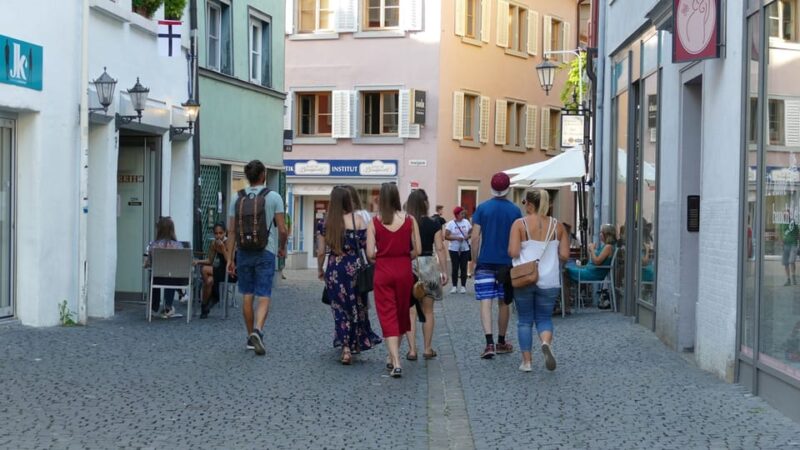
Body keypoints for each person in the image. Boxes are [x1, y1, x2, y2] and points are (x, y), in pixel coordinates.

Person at [226, 160, 288, 356]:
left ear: (248, 177)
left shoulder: (237, 198)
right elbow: (283, 228)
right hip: (265, 251)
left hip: (243, 252)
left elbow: (232, 231)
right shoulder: (274, 197)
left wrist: (230, 258)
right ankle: (258, 330)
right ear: (263, 175)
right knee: (263, 295)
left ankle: (250, 337)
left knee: (247, 294)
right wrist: (282, 247)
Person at [317, 186, 382, 365]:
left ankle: (345, 347)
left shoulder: (325, 223)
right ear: (348, 201)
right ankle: (356, 342)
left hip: (335, 268)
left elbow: (321, 251)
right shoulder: (359, 220)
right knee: (357, 306)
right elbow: (368, 248)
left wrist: (320, 269)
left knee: (339, 308)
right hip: (354, 268)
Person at [508, 190, 570, 372]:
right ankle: (545, 342)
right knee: (544, 318)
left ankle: (527, 362)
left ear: (529, 204)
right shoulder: (558, 226)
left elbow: (513, 252)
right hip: (549, 280)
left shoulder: (519, 224)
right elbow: (565, 255)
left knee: (525, 320)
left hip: (525, 278)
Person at [366, 183, 421, 378]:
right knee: (400, 314)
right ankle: (393, 356)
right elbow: (419, 250)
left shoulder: (375, 222)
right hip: (404, 271)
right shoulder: (409, 219)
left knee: (387, 316)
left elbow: (370, 253)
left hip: (383, 272)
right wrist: (404, 256)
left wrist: (383, 256)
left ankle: (395, 361)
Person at [471, 172, 522, 359]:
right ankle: (501, 341)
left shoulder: (482, 209)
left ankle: (489, 343)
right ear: (508, 189)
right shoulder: (515, 211)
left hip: (485, 260)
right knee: (504, 302)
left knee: (486, 301)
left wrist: (474, 259)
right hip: (507, 263)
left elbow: (475, 237)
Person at [404, 189, 448, 361]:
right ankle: (428, 348)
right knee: (428, 311)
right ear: (426, 204)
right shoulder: (434, 223)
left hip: (410, 265)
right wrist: (444, 270)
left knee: (410, 311)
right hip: (429, 265)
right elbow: (440, 248)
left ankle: (412, 349)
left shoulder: (406, 223)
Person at [563, 224, 617, 309]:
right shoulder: (605, 246)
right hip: (590, 270)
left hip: (593, 274)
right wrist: (593, 250)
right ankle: (566, 304)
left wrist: (592, 249)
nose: (600, 234)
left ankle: (565, 305)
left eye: (601, 232)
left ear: (606, 234)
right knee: (566, 268)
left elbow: (597, 261)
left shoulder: (608, 247)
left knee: (565, 271)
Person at [144, 216, 185, 319]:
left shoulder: (153, 245)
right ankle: (168, 307)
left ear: (159, 230)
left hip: (157, 278)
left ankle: (154, 308)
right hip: (173, 279)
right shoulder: (178, 246)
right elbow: (182, 263)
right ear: (172, 230)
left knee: (152, 275)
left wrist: (146, 264)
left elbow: (148, 263)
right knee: (171, 275)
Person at [194, 222, 234, 319]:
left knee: (204, 270)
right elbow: (210, 260)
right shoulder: (213, 244)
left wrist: (223, 248)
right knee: (209, 281)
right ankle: (209, 301)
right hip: (219, 270)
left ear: (225, 233)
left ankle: (206, 303)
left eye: (221, 233)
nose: (218, 236)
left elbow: (230, 261)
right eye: (216, 233)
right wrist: (197, 261)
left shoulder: (230, 242)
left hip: (230, 271)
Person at [445, 207, 471, 294]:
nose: (463, 215)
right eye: (461, 214)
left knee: (464, 267)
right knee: (455, 267)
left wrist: (468, 236)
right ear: (456, 215)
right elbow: (446, 236)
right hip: (454, 249)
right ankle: (454, 286)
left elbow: (471, 231)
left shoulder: (466, 222)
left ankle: (463, 286)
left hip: (465, 248)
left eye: (464, 213)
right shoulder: (450, 224)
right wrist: (456, 238)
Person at [780, 213, 799, 286]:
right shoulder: (782, 223)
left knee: (791, 261)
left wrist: (796, 240)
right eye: (784, 215)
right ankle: (788, 280)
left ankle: (793, 277)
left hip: (793, 244)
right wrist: (782, 241)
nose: (785, 216)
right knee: (786, 263)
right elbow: (782, 233)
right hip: (786, 245)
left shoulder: (793, 222)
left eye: (786, 215)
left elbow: (798, 232)